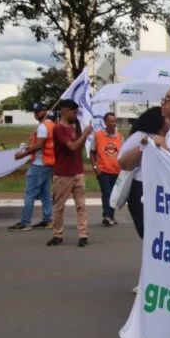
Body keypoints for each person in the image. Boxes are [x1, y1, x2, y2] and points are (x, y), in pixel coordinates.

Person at [48, 99, 94, 247]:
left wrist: (82, 133)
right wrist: (85, 134)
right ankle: (58, 234)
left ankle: (83, 235)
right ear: (65, 111)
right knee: (59, 206)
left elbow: (78, 148)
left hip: (78, 171)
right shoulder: (58, 128)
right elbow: (72, 147)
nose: (76, 115)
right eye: (74, 112)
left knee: (81, 205)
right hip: (63, 173)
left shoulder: (74, 127)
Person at [118, 107, 168, 240]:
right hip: (140, 187)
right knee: (148, 232)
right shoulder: (140, 136)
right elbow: (122, 162)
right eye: (167, 118)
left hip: (160, 188)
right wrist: (143, 146)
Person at [8, 103, 55, 231]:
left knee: (30, 193)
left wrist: (22, 155)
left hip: (39, 164)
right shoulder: (51, 125)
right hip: (48, 163)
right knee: (45, 194)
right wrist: (30, 147)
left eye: (38, 111)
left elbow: (39, 145)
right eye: (34, 112)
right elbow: (44, 144)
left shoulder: (43, 126)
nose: (35, 114)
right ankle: (47, 220)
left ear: (45, 111)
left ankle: (25, 222)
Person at [90, 112, 123, 226]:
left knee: (114, 195)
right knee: (107, 193)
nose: (114, 124)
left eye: (115, 121)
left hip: (117, 171)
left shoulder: (120, 136)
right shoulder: (98, 135)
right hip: (103, 170)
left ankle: (111, 216)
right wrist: (95, 166)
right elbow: (92, 152)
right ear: (105, 122)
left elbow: (123, 153)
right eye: (111, 121)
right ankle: (107, 216)